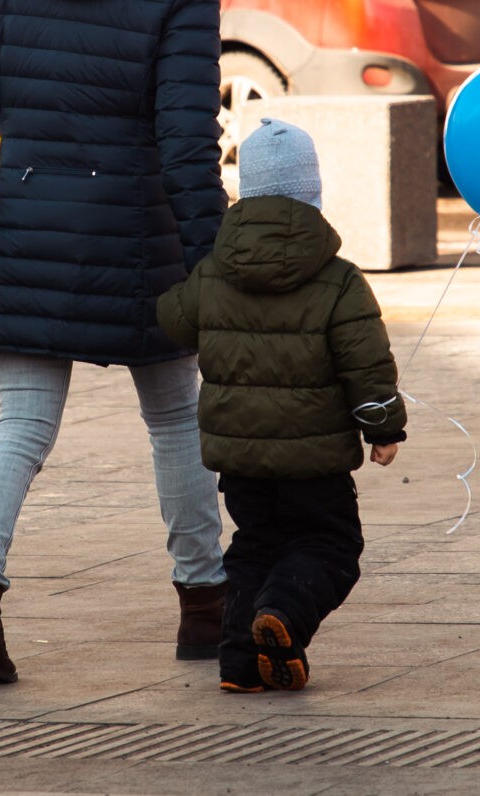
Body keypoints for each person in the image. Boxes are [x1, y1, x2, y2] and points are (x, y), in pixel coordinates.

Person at [0, 0, 229, 684]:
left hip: (27, 226)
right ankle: (205, 608)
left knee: (21, 426)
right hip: (134, 237)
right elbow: (186, 137)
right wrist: (213, 266)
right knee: (175, 418)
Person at [155, 118, 408, 692]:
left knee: (255, 546)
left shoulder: (214, 271)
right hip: (314, 460)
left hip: (239, 458)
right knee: (332, 547)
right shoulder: (340, 280)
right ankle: (284, 616)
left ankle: (240, 662)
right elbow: (365, 365)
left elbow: (175, 320)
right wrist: (382, 428)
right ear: (312, 192)